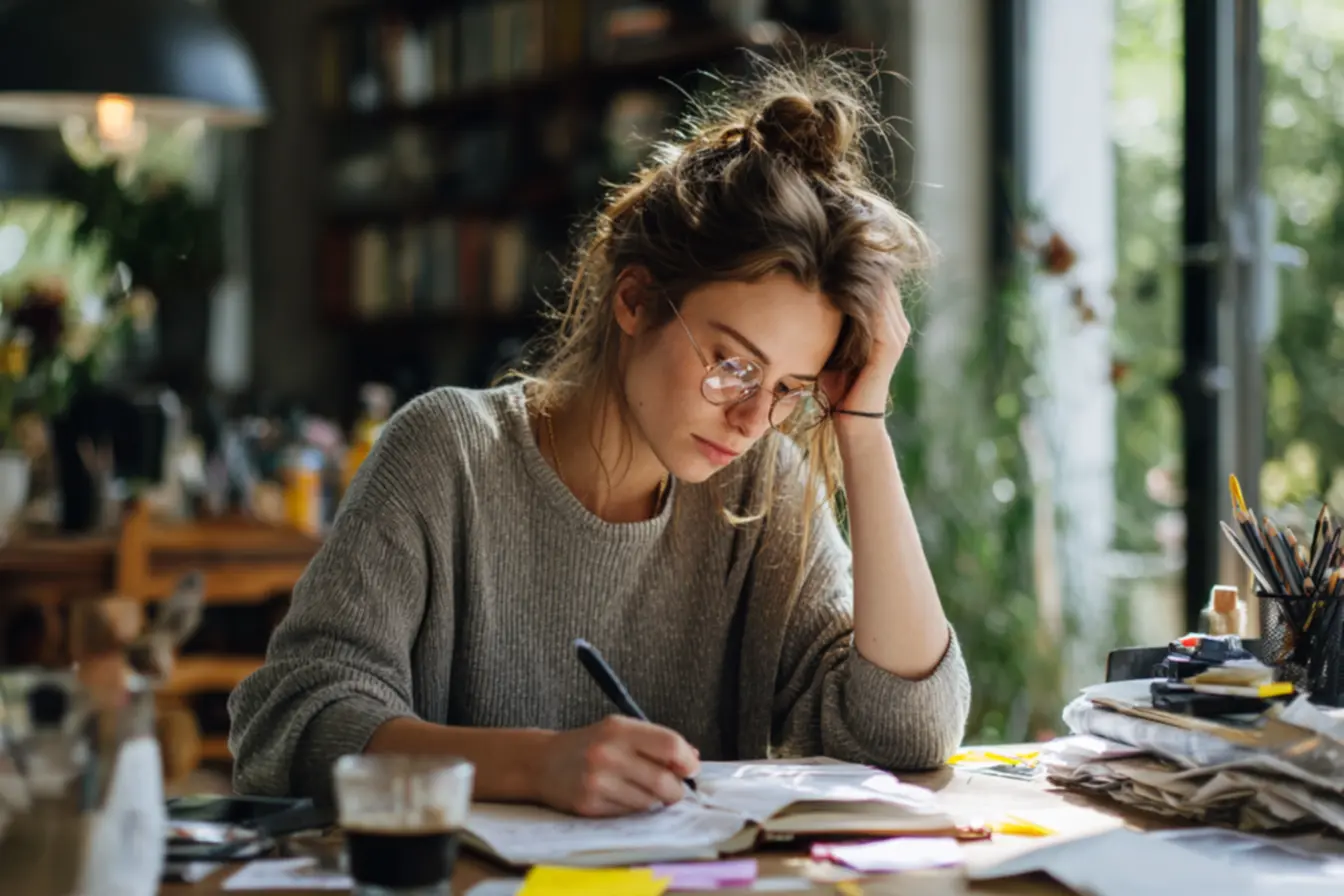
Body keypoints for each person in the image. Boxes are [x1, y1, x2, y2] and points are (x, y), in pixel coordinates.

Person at [228, 52, 972, 817]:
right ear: (636, 299)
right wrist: (536, 765)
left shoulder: (766, 491)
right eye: (733, 365)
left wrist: (863, 425)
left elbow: (908, 733)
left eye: (789, 390)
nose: (752, 420)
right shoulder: (448, 455)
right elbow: (291, 724)